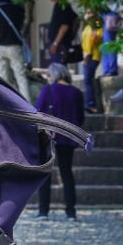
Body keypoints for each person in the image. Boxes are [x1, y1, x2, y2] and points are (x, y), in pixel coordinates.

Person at [34, 65, 85, 218]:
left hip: (49, 137)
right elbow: (80, 117)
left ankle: (43, 211)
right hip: (68, 138)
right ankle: (71, 212)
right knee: (67, 173)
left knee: (45, 174)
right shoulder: (76, 92)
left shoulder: (48, 90)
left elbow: (38, 112)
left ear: (53, 75)